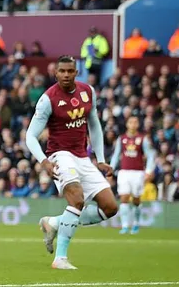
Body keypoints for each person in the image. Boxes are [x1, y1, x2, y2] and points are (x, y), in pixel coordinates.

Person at [26, 55, 118, 269]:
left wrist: (101, 159)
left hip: (83, 157)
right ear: (55, 73)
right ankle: (60, 258)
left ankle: (55, 222)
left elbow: (94, 125)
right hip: (60, 155)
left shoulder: (88, 92)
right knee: (77, 200)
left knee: (110, 208)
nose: (66, 75)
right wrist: (44, 161)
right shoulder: (48, 99)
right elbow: (30, 136)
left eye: (70, 71)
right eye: (62, 71)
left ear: (77, 72)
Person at [109, 116, 156, 235]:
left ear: (138, 125)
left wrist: (149, 170)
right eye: (131, 122)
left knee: (136, 199)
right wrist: (111, 169)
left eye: (135, 122)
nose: (133, 124)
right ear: (127, 124)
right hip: (124, 172)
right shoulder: (122, 139)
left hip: (138, 172)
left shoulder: (142, 139)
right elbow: (116, 155)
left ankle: (135, 223)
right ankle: (124, 226)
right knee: (124, 197)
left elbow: (150, 155)